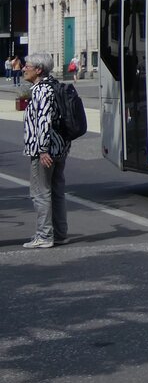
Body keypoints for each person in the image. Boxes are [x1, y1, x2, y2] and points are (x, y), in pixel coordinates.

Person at [21, 52, 70, 248]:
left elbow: (43, 121)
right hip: (59, 148)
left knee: (40, 192)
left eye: (28, 66)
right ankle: (60, 233)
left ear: (38, 70)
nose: (24, 68)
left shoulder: (41, 90)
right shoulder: (54, 86)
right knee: (57, 191)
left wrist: (42, 150)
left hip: (44, 149)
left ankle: (44, 235)